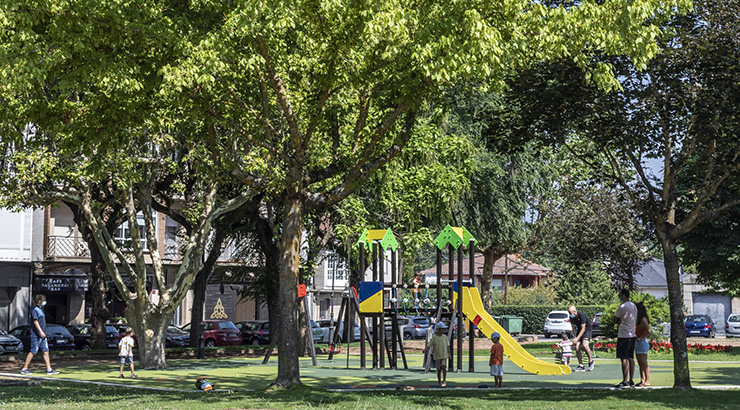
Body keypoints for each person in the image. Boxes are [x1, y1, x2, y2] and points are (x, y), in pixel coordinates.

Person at [21, 294, 59, 376]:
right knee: (33, 351)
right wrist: (41, 331)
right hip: (36, 335)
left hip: (42, 336)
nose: (44, 302)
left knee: (46, 351)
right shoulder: (35, 310)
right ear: (39, 301)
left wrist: (43, 333)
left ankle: (49, 369)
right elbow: (35, 322)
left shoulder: (41, 310)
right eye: (43, 300)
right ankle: (24, 368)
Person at [613, 288, 637, 388]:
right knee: (631, 358)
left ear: (623, 295)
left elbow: (614, 319)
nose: (619, 297)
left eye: (620, 295)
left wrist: (619, 322)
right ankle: (631, 380)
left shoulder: (622, 307)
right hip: (632, 335)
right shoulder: (633, 306)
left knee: (623, 358)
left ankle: (625, 380)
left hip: (623, 335)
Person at [568, 305, 595, 371]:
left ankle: (591, 361)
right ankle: (581, 366)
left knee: (585, 344)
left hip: (586, 330)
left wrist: (577, 338)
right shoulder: (571, 318)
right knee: (577, 347)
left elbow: (583, 329)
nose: (570, 315)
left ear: (575, 311)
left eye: (570, 313)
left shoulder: (582, 315)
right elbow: (573, 328)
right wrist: (575, 337)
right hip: (579, 331)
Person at [635, 302, 651, 387]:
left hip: (642, 342)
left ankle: (647, 380)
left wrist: (640, 338)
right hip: (637, 342)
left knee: (644, 362)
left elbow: (648, 331)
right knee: (640, 363)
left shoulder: (643, 319)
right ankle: (642, 380)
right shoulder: (637, 319)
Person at [429, 322, 449, 387]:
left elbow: (447, 346)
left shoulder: (445, 337)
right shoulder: (434, 337)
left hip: (444, 355)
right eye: (442, 329)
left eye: (443, 329)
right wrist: (425, 349)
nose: (443, 331)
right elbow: (430, 344)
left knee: (443, 367)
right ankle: (439, 381)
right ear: (438, 330)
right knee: (438, 369)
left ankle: (444, 380)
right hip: (437, 355)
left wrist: (449, 354)